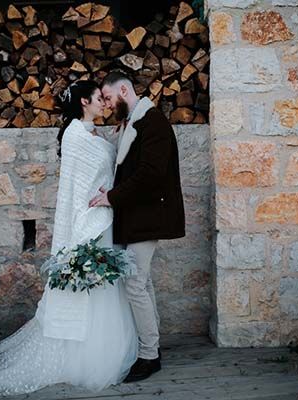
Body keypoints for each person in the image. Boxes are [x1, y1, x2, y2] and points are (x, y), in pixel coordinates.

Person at [0, 80, 138, 397]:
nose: (104, 101)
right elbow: (71, 192)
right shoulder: (76, 134)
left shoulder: (94, 132)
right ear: (83, 103)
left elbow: (102, 174)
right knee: (88, 291)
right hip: (88, 222)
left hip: (103, 220)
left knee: (102, 291)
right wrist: (77, 231)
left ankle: (103, 351)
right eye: (98, 98)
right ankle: (82, 361)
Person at [89, 70, 186, 382]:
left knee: (134, 283)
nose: (105, 104)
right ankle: (152, 346)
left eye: (107, 97)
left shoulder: (152, 122)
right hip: (138, 216)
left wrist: (112, 198)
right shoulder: (133, 122)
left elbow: (150, 175)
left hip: (149, 216)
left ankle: (149, 355)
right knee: (142, 283)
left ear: (124, 91)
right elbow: (129, 169)